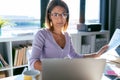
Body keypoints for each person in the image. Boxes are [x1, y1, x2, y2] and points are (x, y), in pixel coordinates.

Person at [29, 0, 108, 71]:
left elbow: (75, 57)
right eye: (56, 14)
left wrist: (96, 54)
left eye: (64, 14)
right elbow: (33, 62)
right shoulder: (42, 34)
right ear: (49, 16)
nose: (60, 19)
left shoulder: (67, 36)